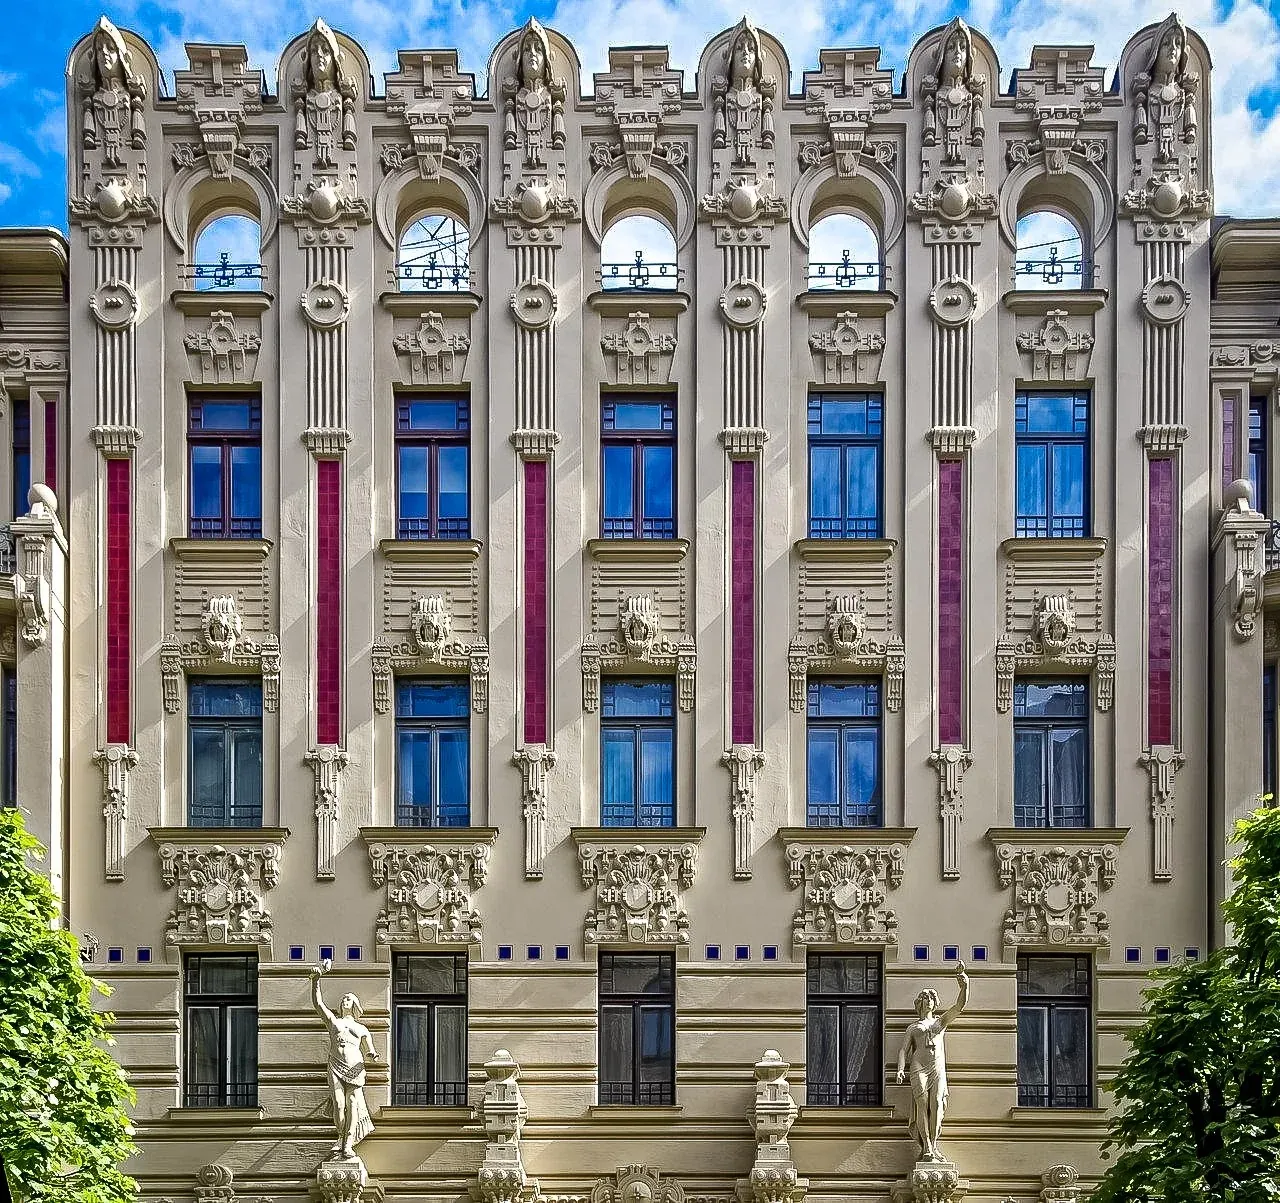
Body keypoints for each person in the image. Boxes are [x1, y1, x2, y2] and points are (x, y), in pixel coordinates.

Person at [895, 962, 969, 1162]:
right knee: (922, 1105)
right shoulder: (913, 1027)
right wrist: (900, 1069)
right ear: (920, 1003)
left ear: (935, 1003)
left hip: (936, 1067)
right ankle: (926, 1146)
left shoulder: (940, 1022)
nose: (928, 1001)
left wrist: (964, 985)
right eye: (925, 998)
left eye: (931, 998)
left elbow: (958, 1007)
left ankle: (934, 1145)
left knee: (936, 1104)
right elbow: (903, 1049)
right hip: (918, 1067)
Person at [311, 961, 378, 1159]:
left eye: (348, 998)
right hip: (335, 1064)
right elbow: (318, 1004)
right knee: (339, 1104)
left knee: (352, 1104)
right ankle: (341, 1136)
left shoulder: (362, 1029)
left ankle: (348, 1142)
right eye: (343, 999)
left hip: (355, 1068)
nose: (344, 1000)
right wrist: (315, 980)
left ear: (355, 1005)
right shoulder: (334, 1022)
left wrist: (372, 1055)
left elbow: (370, 1050)